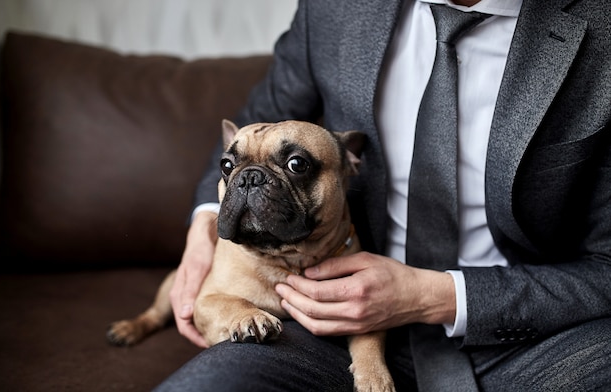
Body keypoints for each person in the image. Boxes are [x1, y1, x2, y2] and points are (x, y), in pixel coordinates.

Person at [157, 0, 611, 390]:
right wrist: (207, 218)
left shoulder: (601, 26)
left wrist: (436, 295)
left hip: (526, 336)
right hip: (321, 326)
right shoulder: (333, 7)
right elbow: (255, 125)